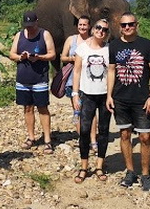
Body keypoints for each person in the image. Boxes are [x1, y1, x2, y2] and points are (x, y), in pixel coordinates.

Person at [106, 12, 150, 191]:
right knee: (125, 135)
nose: (127, 28)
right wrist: (109, 95)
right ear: (119, 27)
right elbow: (111, 70)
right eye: (123, 25)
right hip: (120, 98)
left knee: (144, 137)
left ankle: (145, 174)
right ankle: (130, 171)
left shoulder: (146, 45)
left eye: (130, 24)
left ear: (137, 25)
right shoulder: (113, 45)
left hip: (141, 100)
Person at [9, 10, 56, 155]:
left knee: (42, 108)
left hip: (39, 78)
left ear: (37, 22)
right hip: (23, 79)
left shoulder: (44, 34)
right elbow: (11, 54)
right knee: (28, 108)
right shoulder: (19, 35)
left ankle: (47, 139)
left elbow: (53, 54)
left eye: (32, 25)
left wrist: (40, 57)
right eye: (27, 25)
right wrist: (20, 57)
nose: (29, 28)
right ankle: (31, 136)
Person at [71, 18, 112, 183]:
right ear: (93, 29)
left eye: (104, 29)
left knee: (103, 131)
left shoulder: (110, 49)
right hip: (87, 94)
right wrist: (75, 94)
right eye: (98, 28)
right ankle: (83, 166)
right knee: (85, 130)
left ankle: (100, 166)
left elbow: (112, 72)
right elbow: (76, 72)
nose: (101, 31)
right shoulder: (82, 48)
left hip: (104, 96)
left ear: (107, 33)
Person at [61, 16, 98, 149]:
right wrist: (74, 58)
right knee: (77, 110)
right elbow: (63, 57)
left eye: (85, 25)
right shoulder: (71, 40)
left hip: (89, 81)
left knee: (91, 111)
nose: (82, 27)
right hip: (73, 81)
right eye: (80, 25)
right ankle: (83, 138)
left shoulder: (93, 40)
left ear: (89, 26)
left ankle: (94, 139)